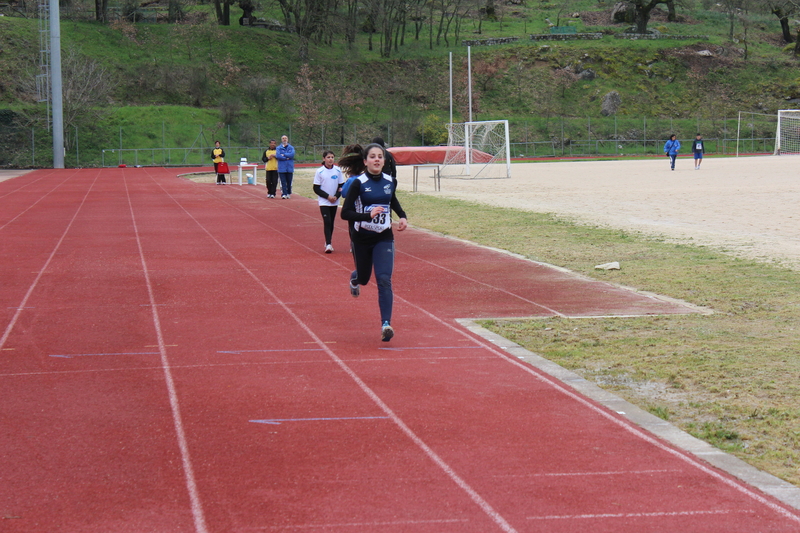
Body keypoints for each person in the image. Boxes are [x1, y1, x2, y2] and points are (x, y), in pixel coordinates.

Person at [340, 143, 408, 342]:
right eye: (372, 156)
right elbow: (345, 213)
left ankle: (386, 324)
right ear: (365, 161)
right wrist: (367, 215)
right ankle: (355, 278)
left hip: (383, 236)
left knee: (384, 279)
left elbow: (391, 200)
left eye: (380, 156)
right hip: (361, 237)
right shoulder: (358, 183)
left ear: (384, 161)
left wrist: (402, 216)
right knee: (364, 278)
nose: (377, 159)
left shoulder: (390, 181)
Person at [313, 150, 345, 253]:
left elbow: (341, 186)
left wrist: (336, 196)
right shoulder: (320, 171)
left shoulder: (338, 170)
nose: (330, 159)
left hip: (334, 201)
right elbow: (316, 188)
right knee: (327, 221)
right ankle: (328, 244)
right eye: (328, 157)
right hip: (324, 201)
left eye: (332, 157)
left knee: (331, 222)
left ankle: (328, 241)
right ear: (324, 159)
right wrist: (327, 197)